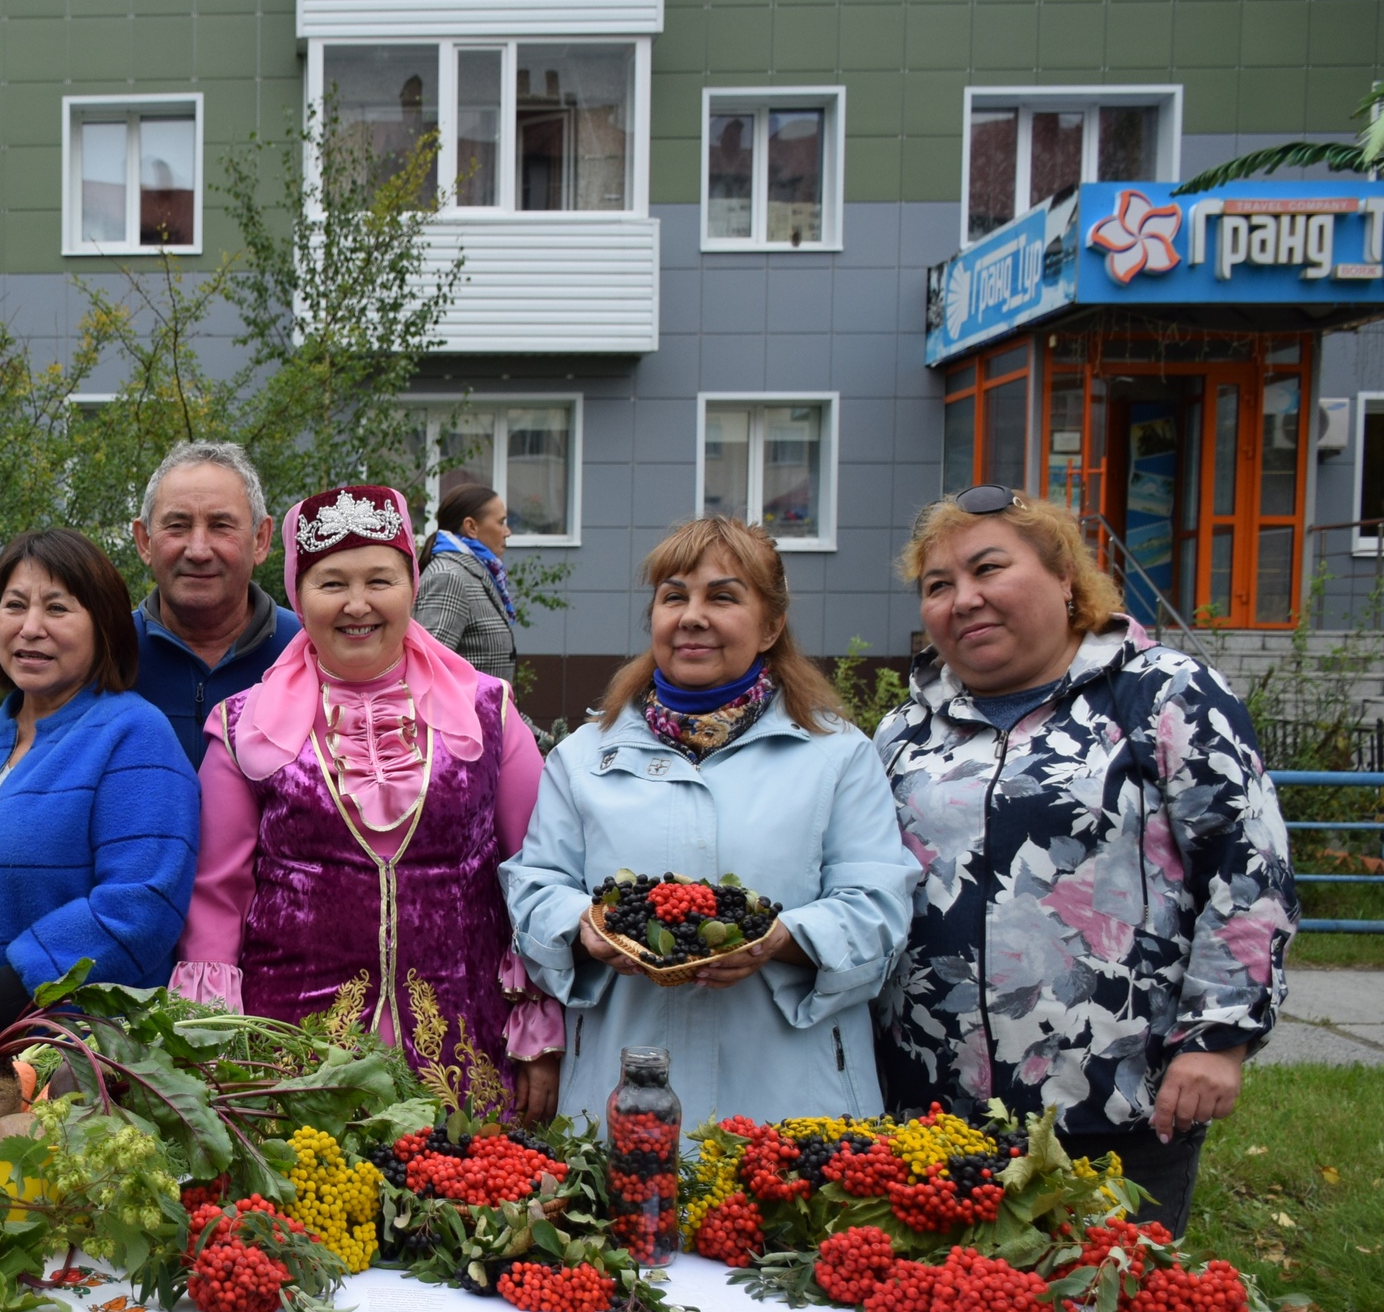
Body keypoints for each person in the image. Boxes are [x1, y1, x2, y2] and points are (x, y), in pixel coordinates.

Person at [875, 487, 1297, 1233]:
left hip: (1109, 1111)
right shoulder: (908, 729)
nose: (963, 599)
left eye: (988, 569)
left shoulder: (1164, 693)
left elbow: (1247, 870)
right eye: (939, 586)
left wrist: (1220, 1039)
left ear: (1065, 574)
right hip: (929, 1115)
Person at [501, 517, 919, 1127]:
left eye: (722, 596)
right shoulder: (585, 757)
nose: (692, 616)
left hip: (793, 1103)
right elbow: (535, 889)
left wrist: (782, 937)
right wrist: (585, 928)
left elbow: (879, 906)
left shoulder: (835, 755)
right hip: (621, 1100)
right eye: (674, 597)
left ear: (772, 624)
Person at [175, 485, 562, 1118]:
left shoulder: (489, 712)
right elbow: (217, 900)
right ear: (299, 598)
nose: (358, 604)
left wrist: (538, 1029)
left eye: (379, 579)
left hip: (469, 1057)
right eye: (331, 584)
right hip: (294, 1069)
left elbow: (535, 877)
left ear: (413, 585)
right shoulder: (242, 727)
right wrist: (216, 1047)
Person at [0, 529, 200, 1039]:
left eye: (57, 608)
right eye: (15, 605)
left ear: (103, 626)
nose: (30, 628)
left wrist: (3, 992)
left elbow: (142, 902)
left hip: (84, 1052)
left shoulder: (134, 736)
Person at [128, 441, 302, 766]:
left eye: (221, 526)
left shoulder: (305, 653)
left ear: (261, 540)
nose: (198, 550)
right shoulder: (107, 655)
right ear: (144, 540)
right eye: (177, 526)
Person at [415, 475, 520, 678]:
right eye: (501, 522)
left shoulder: (475, 572)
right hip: (468, 710)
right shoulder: (449, 577)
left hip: (486, 710)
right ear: (471, 527)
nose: (508, 532)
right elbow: (430, 671)